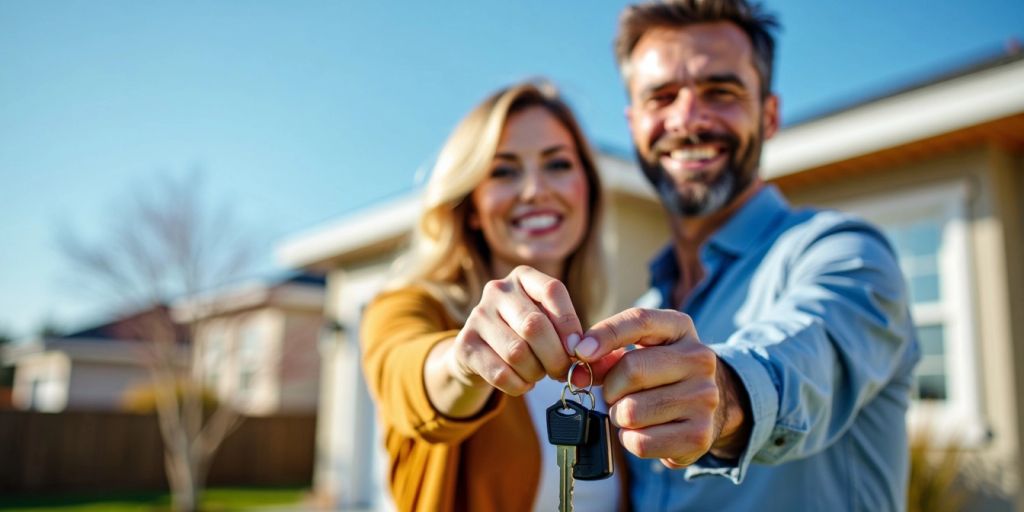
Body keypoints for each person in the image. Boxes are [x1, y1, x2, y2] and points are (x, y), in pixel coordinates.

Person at [563, 0, 921, 510]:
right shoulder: (647, 306)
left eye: (720, 91)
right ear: (634, 123)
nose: (687, 119)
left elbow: (809, 352)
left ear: (768, 115)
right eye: (661, 97)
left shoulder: (847, 255)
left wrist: (728, 396)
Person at [360, 81, 626, 511]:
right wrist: (463, 363)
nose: (535, 190)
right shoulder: (410, 306)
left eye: (557, 164)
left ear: (588, 191)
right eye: (503, 170)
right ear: (472, 207)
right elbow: (406, 374)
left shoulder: (602, 348)